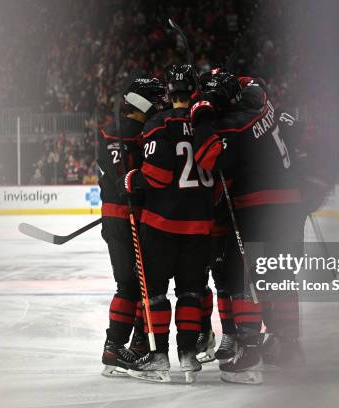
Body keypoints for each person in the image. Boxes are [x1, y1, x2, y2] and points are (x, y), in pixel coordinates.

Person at [190, 69, 306, 384]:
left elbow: (208, 156)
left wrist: (202, 111)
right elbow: (254, 86)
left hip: (260, 206)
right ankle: (289, 345)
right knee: (281, 276)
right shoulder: (267, 109)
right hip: (289, 205)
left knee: (248, 278)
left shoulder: (238, 124)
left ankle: (250, 349)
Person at [121, 64, 215, 383]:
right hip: (199, 226)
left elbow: (158, 177)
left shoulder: (158, 124)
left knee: (157, 294)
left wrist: (134, 179)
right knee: (191, 292)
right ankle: (188, 354)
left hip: (162, 226)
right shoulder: (205, 122)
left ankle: (158, 357)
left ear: (170, 93)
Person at [97, 76, 165, 377]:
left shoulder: (110, 130)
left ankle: (123, 347)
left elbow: (110, 178)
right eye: (156, 98)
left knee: (134, 284)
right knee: (134, 285)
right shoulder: (137, 133)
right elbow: (130, 181)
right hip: (131, 218)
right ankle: (119, 348)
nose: (160, 104)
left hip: (116, 217)